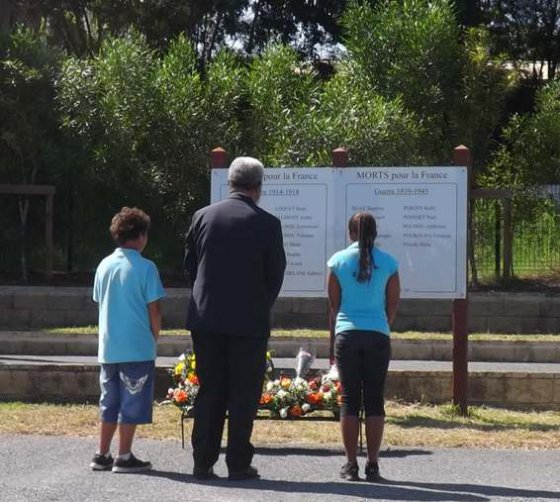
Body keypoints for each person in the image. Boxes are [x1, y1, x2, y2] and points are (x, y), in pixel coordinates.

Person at [184, 156, 286, 481]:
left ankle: (203, 462)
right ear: (258, 187)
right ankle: (238, 463)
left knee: (210, 389)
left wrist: (205, 299)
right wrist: (259, 304)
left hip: (207, 318)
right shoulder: (268, 224)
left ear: (230, 183)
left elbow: (191, 266)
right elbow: (275, 274)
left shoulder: (202, 216)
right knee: (244, 393)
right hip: (249, 320)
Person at [90, 207, 166, 473]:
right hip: (137, 346)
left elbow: (99, 300)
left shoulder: (104, 265)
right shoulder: (146, 268)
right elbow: (154, 310)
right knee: (132, 402)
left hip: (109, 347)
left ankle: (102, 453)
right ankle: (124, 455)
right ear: (141, 235)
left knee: (109, 401)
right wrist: (154, 335)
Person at [327, 211, 400, 482]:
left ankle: (350, 464)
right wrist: (381, 324)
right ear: (375, 233)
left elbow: (334, 305)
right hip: (377, 334)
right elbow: (392, 304)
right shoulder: (389, 263)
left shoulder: (337, 261)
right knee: (374, 400)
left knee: (349, 400)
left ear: (351, 234)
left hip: (347, 334)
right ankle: (373, 464)